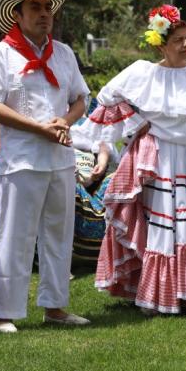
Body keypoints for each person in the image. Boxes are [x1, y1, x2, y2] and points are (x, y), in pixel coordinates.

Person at [79, 4, 186, 315]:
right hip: (160, 159)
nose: (185, 44)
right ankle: (159, 293)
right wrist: (131, 126)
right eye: (177, 40)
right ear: (160, 45)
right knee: (162, 226)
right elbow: (109, 101)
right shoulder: (143, 74)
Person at [0, 0, 94, 333]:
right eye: (36, 8)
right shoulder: (2, 53)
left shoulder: (63, 53)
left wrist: (65, 120)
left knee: (59, 234)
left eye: (48, 8)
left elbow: (80, 98)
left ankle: (55, 307)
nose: (45, 14)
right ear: (18, 14)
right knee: (15, 234)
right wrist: (37, 127)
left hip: (59, 156)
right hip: (21, 158)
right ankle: (5, 314)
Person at [69, 97, 112, 267]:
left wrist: (101, 164)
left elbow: (103, 145)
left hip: (92, 171)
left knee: (114, 181)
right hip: (65, 164)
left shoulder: (93, 120)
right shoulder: (54, 117)